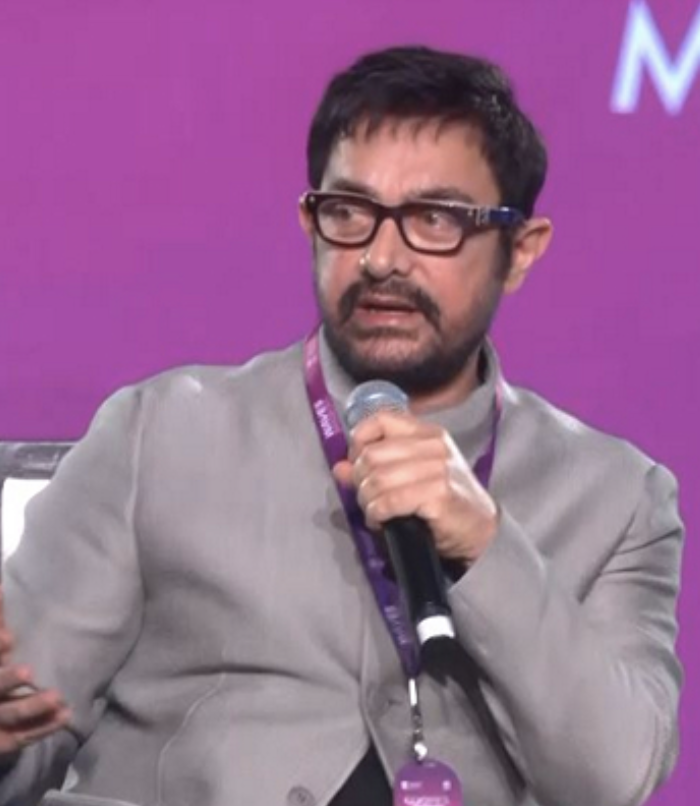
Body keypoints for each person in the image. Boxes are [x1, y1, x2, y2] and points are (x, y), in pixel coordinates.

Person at [0, 45, 684, 806]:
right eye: (349, 213)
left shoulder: (618, 499)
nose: (381, 259)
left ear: (520, 250)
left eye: (435, 220)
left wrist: (489, 546)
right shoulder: (158, 435)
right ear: (311, 221)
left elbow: (614, 777)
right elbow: (25, 724)